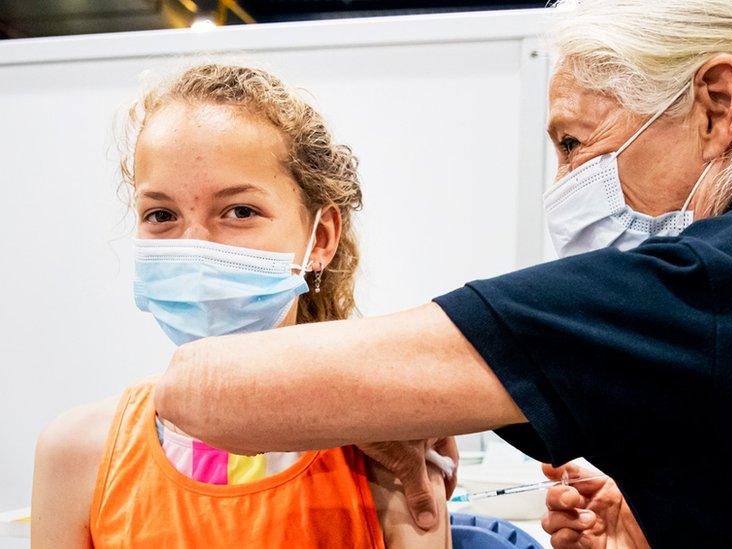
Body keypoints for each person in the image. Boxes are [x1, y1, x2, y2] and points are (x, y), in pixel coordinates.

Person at [156, 0, 732, 547]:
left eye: (574, 142)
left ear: (717, 104)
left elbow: (203, 390)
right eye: (160, 213)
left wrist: (394, 405)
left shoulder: (703, 285)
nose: (562, 186)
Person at [31, 63, 455, 548]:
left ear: (321, 237)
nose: (194, 246)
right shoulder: (78, 454)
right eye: (161, 214)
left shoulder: (389, 454)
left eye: (239, 211)